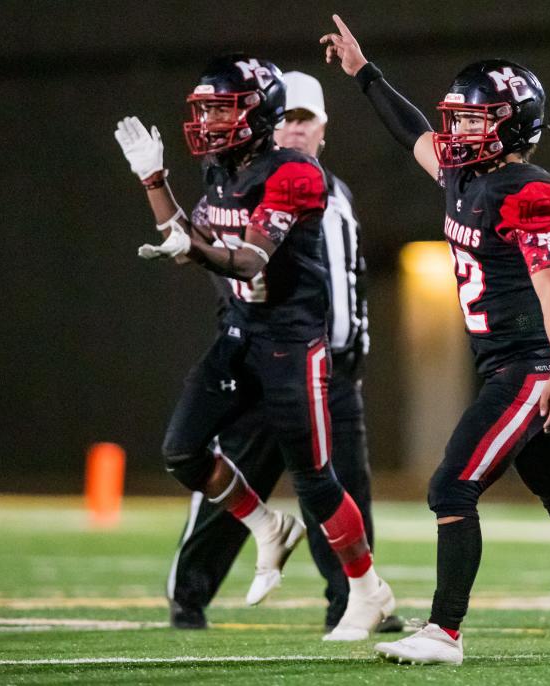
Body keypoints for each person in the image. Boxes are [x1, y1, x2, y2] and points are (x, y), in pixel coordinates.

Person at [320, 15, 550, 665]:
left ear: (511, 125)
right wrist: (364, 73)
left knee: (451, 485)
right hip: (503, 365)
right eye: (459, 119)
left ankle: (443, 632)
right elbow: (414, 135)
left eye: (475, 121)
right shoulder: (462, 175)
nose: (458, 132)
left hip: (526, 364)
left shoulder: (528, 192)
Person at [114, 54, 395, 641]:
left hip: (291, 345)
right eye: (207, 108)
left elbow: (246, 258)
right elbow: (184, 235)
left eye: (223, 108)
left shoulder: (297, 173)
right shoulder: (221, 167)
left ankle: (369, 594)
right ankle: (266, 526)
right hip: (239, 335)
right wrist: (153, 181)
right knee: (182, 451)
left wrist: (189, 249)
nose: (210, 120)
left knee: (319, 480)